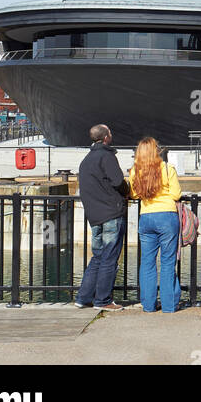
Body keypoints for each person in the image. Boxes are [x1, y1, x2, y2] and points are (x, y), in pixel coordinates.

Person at [75, 123, 128, 311]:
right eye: (110, 133)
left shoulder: (86, 160)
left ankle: (83, 297)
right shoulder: (107, 156)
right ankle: (103, 300)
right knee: (109, 258)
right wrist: (126, 191)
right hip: (111, 213)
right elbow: (118, 181)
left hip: (94, 216)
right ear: (106, 137)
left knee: (97, 257)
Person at [128, 137, 182, 313]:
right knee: (167, 262)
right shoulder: (167, 168)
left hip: (146, 217)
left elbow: (134, 194)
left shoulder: (136, 171)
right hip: (167, 217)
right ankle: (169, 306)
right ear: (156, 150)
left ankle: (149, 305)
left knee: (147, 262)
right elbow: (176, 194)